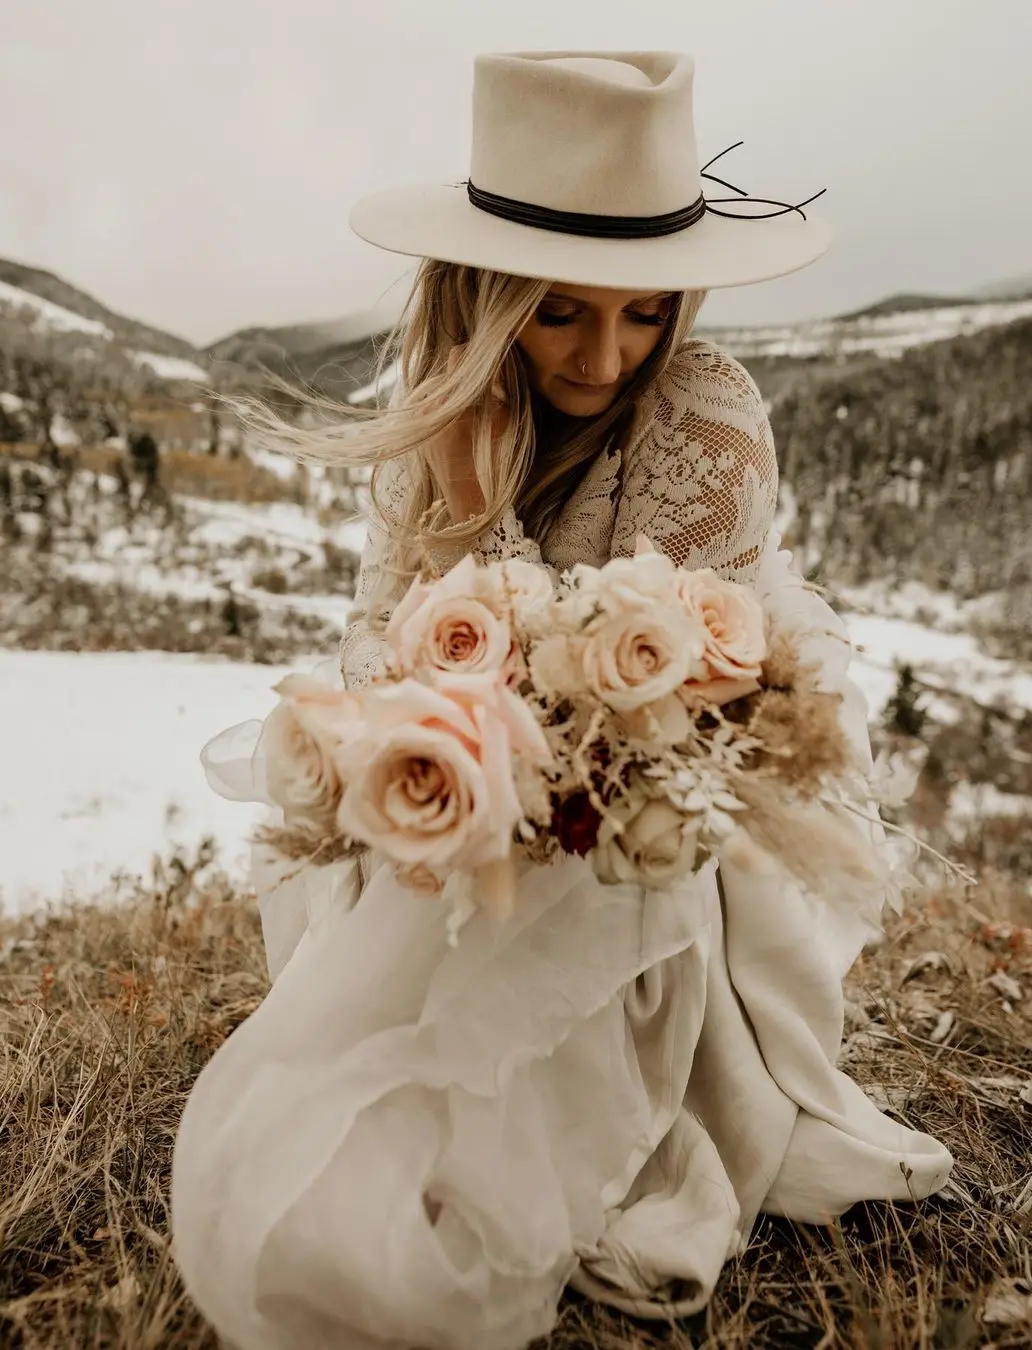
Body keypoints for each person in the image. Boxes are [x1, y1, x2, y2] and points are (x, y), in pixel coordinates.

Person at [171, 50, 953, 1350]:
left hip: (687, 775)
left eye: (645, 310)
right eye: (560, 313)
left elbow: (655, 705)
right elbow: (382, 639)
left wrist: (500, 681)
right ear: (489, 297)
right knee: (400, 814)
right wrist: (418, 681)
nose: (608, 353)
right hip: (512, 749)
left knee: (592, 875)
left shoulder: (706, 413)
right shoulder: (445, 412)